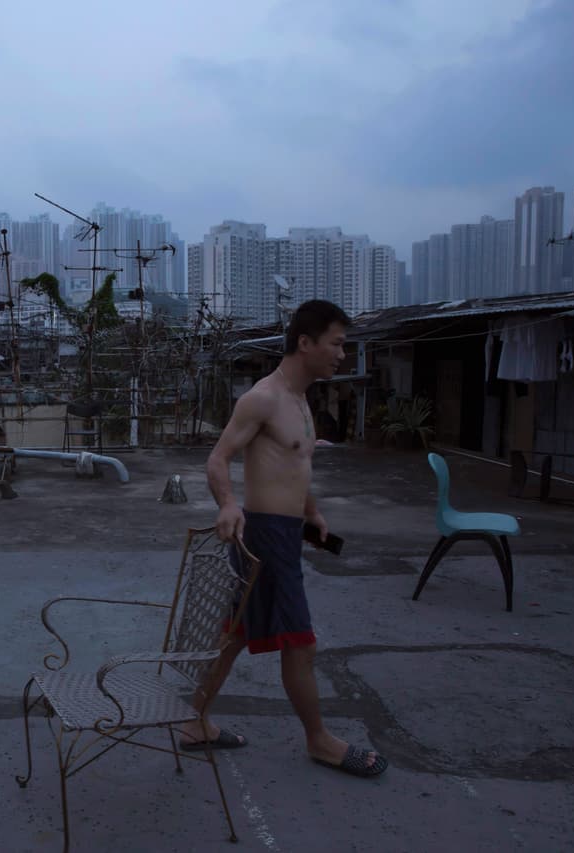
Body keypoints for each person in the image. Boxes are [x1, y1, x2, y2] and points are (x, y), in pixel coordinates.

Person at [176, 299, 387, 778]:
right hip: (264, 537)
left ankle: (193, 723)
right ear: (305, 342)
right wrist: (228, 504)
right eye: (336, 344)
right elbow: (217, 458)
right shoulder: (263, 398)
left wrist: (310, 514)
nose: (342, 355)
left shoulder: (301, 400)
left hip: (286, 532)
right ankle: (319, 741)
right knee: (301, 643)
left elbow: (296, 467)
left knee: (233, 636)